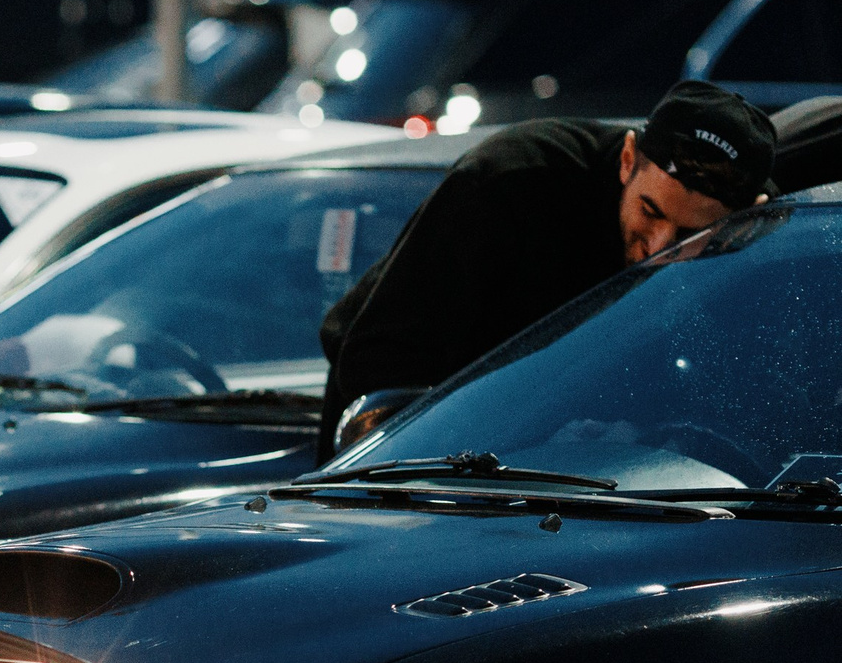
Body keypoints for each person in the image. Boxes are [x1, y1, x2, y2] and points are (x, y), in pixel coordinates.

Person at [318, 79, 777, 457]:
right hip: (408, 445)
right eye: (650, 212)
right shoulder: (512, 183)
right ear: (626, 160)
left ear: (743, 220)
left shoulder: (761, 238)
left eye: (690, 236)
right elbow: (376, 362)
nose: (659, 248)